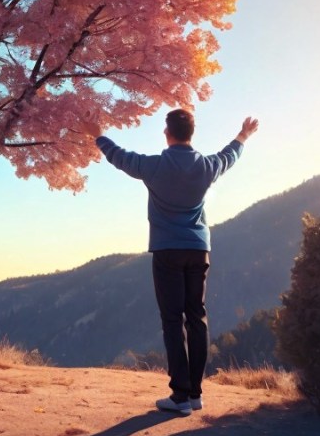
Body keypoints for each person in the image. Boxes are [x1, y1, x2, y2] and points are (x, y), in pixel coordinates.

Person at [78, 109, 259, 416]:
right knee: (197, 317)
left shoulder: (155, 166)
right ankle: (196, 393)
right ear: (191, 133)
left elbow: (120, 157)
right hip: (199, 249)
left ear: (167, 132)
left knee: (172, 321)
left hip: (167, 250)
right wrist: (243, 135)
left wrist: (98, 134)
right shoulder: (206, 167)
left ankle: (180, 396)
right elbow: (229, 156)